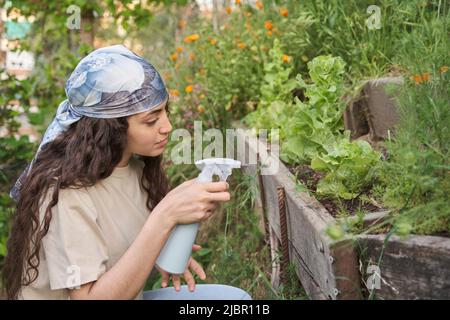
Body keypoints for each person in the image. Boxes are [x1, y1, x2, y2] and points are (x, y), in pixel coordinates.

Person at [2, 44, 252, 300]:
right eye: (151, 119)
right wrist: (164, 217)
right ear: (112, 126)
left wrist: (167, 245)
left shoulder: (134, 167)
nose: (167, 126)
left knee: (236, 300)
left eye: (165, 111)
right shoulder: (65, 192)